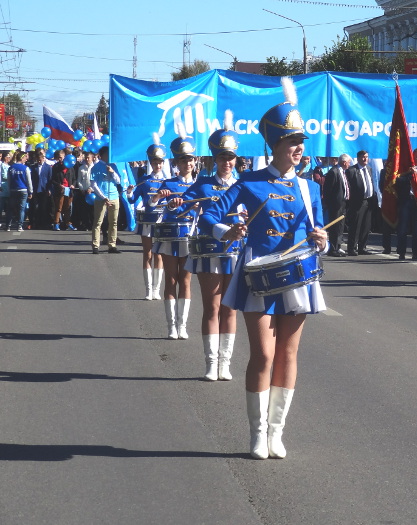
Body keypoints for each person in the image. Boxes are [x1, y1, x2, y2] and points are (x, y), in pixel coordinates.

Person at [198, 77, 328, 460]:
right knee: (263, 355)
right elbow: (209, 217)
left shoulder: (310, 188)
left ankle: (276, 432)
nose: (299, 150)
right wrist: (230, 229)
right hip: (259, 274)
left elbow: (319, 233)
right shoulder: (249, 182)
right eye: (292, 143)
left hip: (299, 276)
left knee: (288, 354)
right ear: (275, 145)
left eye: (301, 143)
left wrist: (323, 241)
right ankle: (256, 434)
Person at [167, 111, 243, 381]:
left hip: (235, 252)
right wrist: (175, 203)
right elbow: (179, 208)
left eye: (231, 157)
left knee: (230, 308)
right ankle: (211, 362)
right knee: (212, 306)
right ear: (214, 158)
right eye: (223, 157)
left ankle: (226, 363)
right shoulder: (203, 184)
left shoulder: (243, 185)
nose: (227, 162)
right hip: (210, 251)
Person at [150, 130, 197, 340]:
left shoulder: (200, 186)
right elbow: (152, 205)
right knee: (171, 279)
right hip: (170, 236)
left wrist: (199, 207)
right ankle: (171, 325)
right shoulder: (168, 184)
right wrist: (163, 199)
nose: (188, 163)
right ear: (176, 163)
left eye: (191, 159)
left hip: (189, 236)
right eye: (183, 160)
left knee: (185, 281)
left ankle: (183, 324)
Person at [126, 135, 167, 301]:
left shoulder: (167, 181)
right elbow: (132, 200)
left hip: (162, 220)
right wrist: (129, 191)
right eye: (155, 163)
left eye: (160, 162)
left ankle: (157, 289)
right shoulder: (143, 181)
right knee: (148, 253)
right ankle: (148, 289)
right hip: (147, 221)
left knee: (160, 255)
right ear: (150, 163)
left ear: (163, 163)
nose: (157, 165)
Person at [91, 147, 121, 254]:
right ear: (102, 155)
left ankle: (112, 245)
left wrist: (112, 172)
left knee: (113, 222)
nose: (109, 155)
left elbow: (118, 181)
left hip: (114, 197)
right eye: (108, 153)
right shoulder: (96, 167)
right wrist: (103, 197)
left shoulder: (113, 166)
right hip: (101, 198)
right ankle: (95, 245)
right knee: (98, 222)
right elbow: (93, 184)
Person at [345, 150, 376, 255]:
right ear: (358, 158)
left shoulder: (369, 169)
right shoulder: (352, 170)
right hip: (357, 202)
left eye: (366, 157)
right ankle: (352, 248)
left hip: (369, 201)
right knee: (356, 226)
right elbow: (349, 187)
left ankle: (362, 247)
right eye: (363, 157)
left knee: (366, 226)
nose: (365, 159)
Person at [322, 153, 350, 256]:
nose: (349, 165)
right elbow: (328, 190)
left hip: (343, 204)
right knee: (334, 227)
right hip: (335, 205)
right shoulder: (333, 172)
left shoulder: (342, 171)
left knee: (340, 227)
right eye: (348, 162)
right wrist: (329, 204)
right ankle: (333, 248)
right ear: (344, 162)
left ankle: (338, 246)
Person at [5, 151, 33, 231]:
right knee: (22, 208)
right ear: (21, 158)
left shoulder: (11, 168)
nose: (26, 159)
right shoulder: (25, 168)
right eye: (25, 158)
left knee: (10, 208)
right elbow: (29, 181)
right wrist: (30, 191)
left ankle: (8, 226)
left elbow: (9, 181)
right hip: (23, 190)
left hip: (13, 190)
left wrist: (9, 189)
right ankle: (19, 226)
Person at [50, 150, 77, 231]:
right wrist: (59, 185)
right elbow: (52, 179)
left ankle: (68, 223)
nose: (60, 159)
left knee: (68, 208)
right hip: (60, 190)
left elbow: (74, 179)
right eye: (59, 158)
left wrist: (73, 185)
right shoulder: (56, 167)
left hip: (69, 190)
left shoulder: (71, 168)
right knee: (59, 207)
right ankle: (56, 223)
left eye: (62, 158)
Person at [29, 148, 53, 230]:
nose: (39, 161)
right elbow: (31, 179)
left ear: (43, 158)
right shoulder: (33, 167)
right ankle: (36, 222)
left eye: (40, 160)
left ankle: (43, 223)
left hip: (44, 189)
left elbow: (50, 179)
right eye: (38, 160)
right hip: (36, 189)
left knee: (43, 207)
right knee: (35, 207)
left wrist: (49, 189)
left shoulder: (48, 167)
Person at [74, 151, 95, 231]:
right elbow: (79, 180)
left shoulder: (94, 167)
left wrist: (91, 189)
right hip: (84, 191)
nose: (87, 159)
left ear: (92, 158)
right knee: (84, 210)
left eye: (88, 158)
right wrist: (82, 188)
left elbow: (95, 180)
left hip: (92, 192)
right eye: (86, 158)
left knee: (92, 210)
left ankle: (93, 225)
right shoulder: (81, 168)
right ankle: (86, 224)